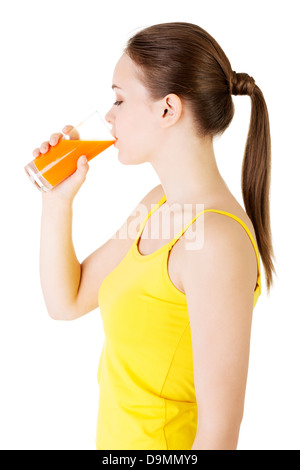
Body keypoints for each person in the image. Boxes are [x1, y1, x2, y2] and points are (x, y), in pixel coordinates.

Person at [34, 22, 276, 450]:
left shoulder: (214, 241)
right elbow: (66, 301)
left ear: (167, 109)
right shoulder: (162, 207)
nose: (108, 115)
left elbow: (219, 435)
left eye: (119, 99)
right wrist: (57, 201)